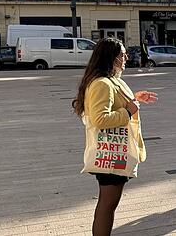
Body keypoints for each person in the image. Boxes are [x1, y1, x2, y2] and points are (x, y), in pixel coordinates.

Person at [72, 38, 158, 236]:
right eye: (122, 55)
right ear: (110, 58)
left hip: (113, 152)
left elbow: (114, 104)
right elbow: (100, 119)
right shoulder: (102, 83)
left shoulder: (111, 80)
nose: (126, 57)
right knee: (107, 204)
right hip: (110, 152)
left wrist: (135, 98)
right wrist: (128, 110)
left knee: (108, 203)